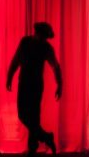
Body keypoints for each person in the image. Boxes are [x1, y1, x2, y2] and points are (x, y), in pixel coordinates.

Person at [6, 22, 62, 157]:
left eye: (45, 37)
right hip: (25, 82)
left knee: (33, 117)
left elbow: (55, 66)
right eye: (43, 35)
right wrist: (10, 76)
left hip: (35, 84)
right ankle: (46, 137)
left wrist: (60, 84)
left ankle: (33, 148)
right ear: (37, 33)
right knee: (24, 115)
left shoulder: (46, 47)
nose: (44, 39)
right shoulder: (25, 42)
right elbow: (16, 60)